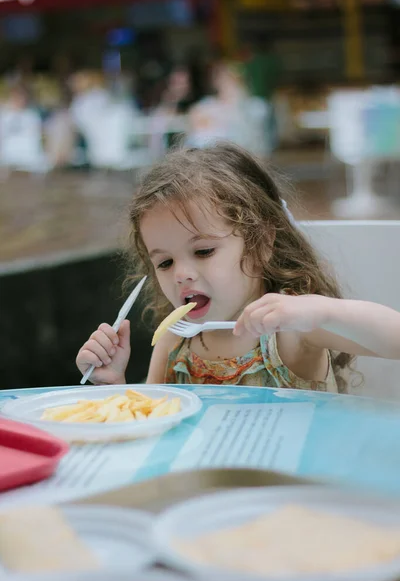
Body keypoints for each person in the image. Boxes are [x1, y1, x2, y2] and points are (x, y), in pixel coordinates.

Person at [76, 143, 400, 393]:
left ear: (260, 244)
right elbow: (156, 420)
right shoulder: (174, 343)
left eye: (203, 251)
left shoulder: (289, 329)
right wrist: (113, 384)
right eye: (164, 262)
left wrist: (321, 311)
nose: (181, 273)